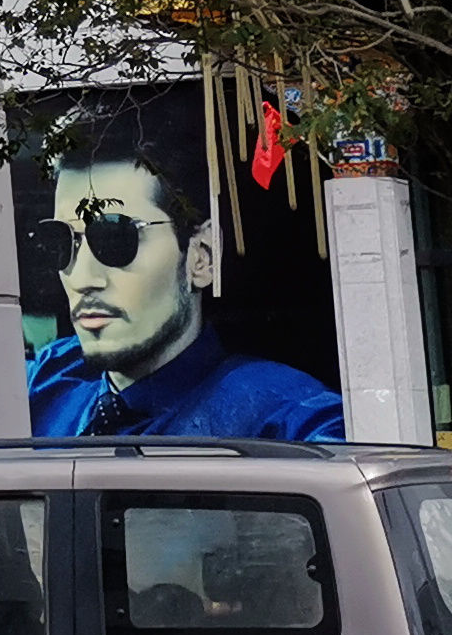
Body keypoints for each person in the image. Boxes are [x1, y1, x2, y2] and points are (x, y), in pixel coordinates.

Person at [23, 99, 343, 442]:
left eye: (115, 238)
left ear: (201, 256)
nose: (82, 277)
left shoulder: (287, 422)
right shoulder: (44, 382)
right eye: (61, 240)